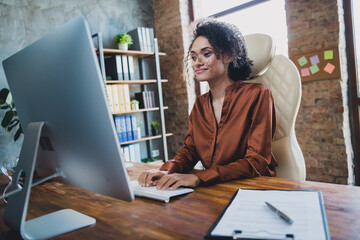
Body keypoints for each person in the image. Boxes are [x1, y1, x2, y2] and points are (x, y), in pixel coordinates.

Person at [138, 19, 278, 190]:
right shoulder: (200, 104)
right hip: (214, 187)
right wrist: (167, 171)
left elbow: (257, 161)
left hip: (252, 188)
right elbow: (190, 151)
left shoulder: (258, 94)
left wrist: (200, 177)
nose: (197, 62)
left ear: (229, 56)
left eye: (206, 54)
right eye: (194, 57)